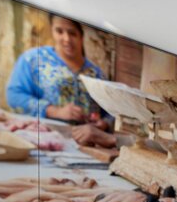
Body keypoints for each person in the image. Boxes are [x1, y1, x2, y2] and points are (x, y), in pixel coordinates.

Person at [7, 14, 116, 147]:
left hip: (85, 148)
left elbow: (111, 113)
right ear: (52, 30)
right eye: (59, 31)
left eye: (72, 33)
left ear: (82, 36)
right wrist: (54, 111)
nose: (66, 39)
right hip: (42, 141)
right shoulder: (34, 60)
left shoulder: (96, 74)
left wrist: (103, 124)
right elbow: (14, 96)